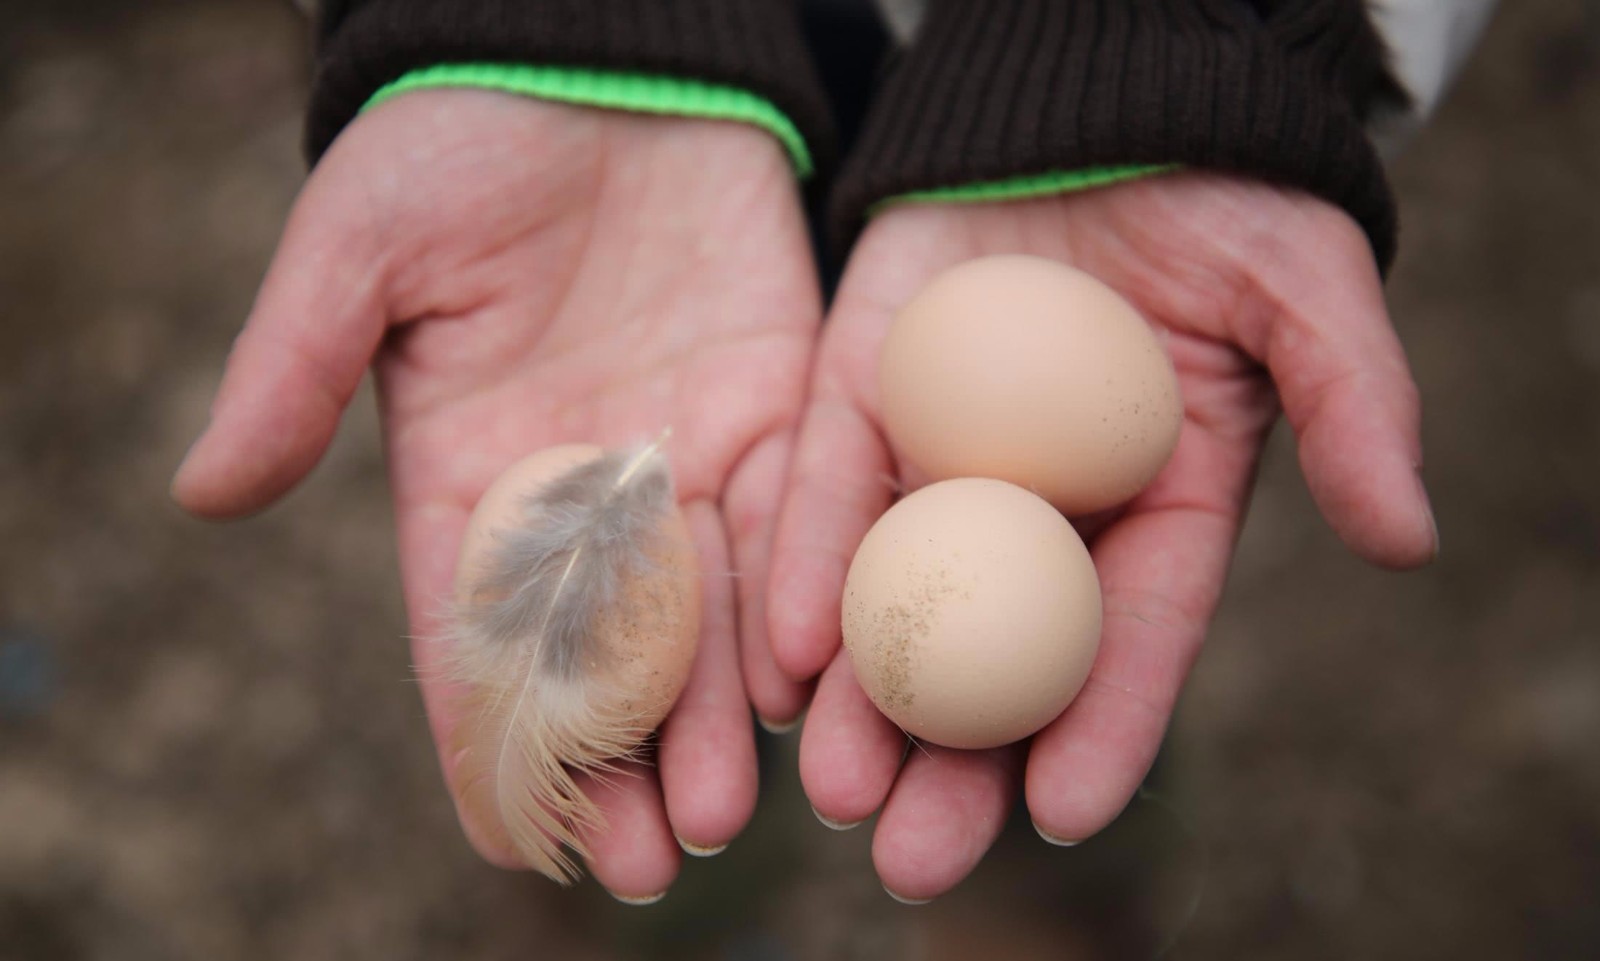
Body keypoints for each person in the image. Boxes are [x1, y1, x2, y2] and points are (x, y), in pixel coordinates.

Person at [172, 0, 1492, 904]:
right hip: (655, 195)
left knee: (1034, 809)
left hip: (1055, 147)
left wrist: (1182, 30)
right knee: (621, 822)